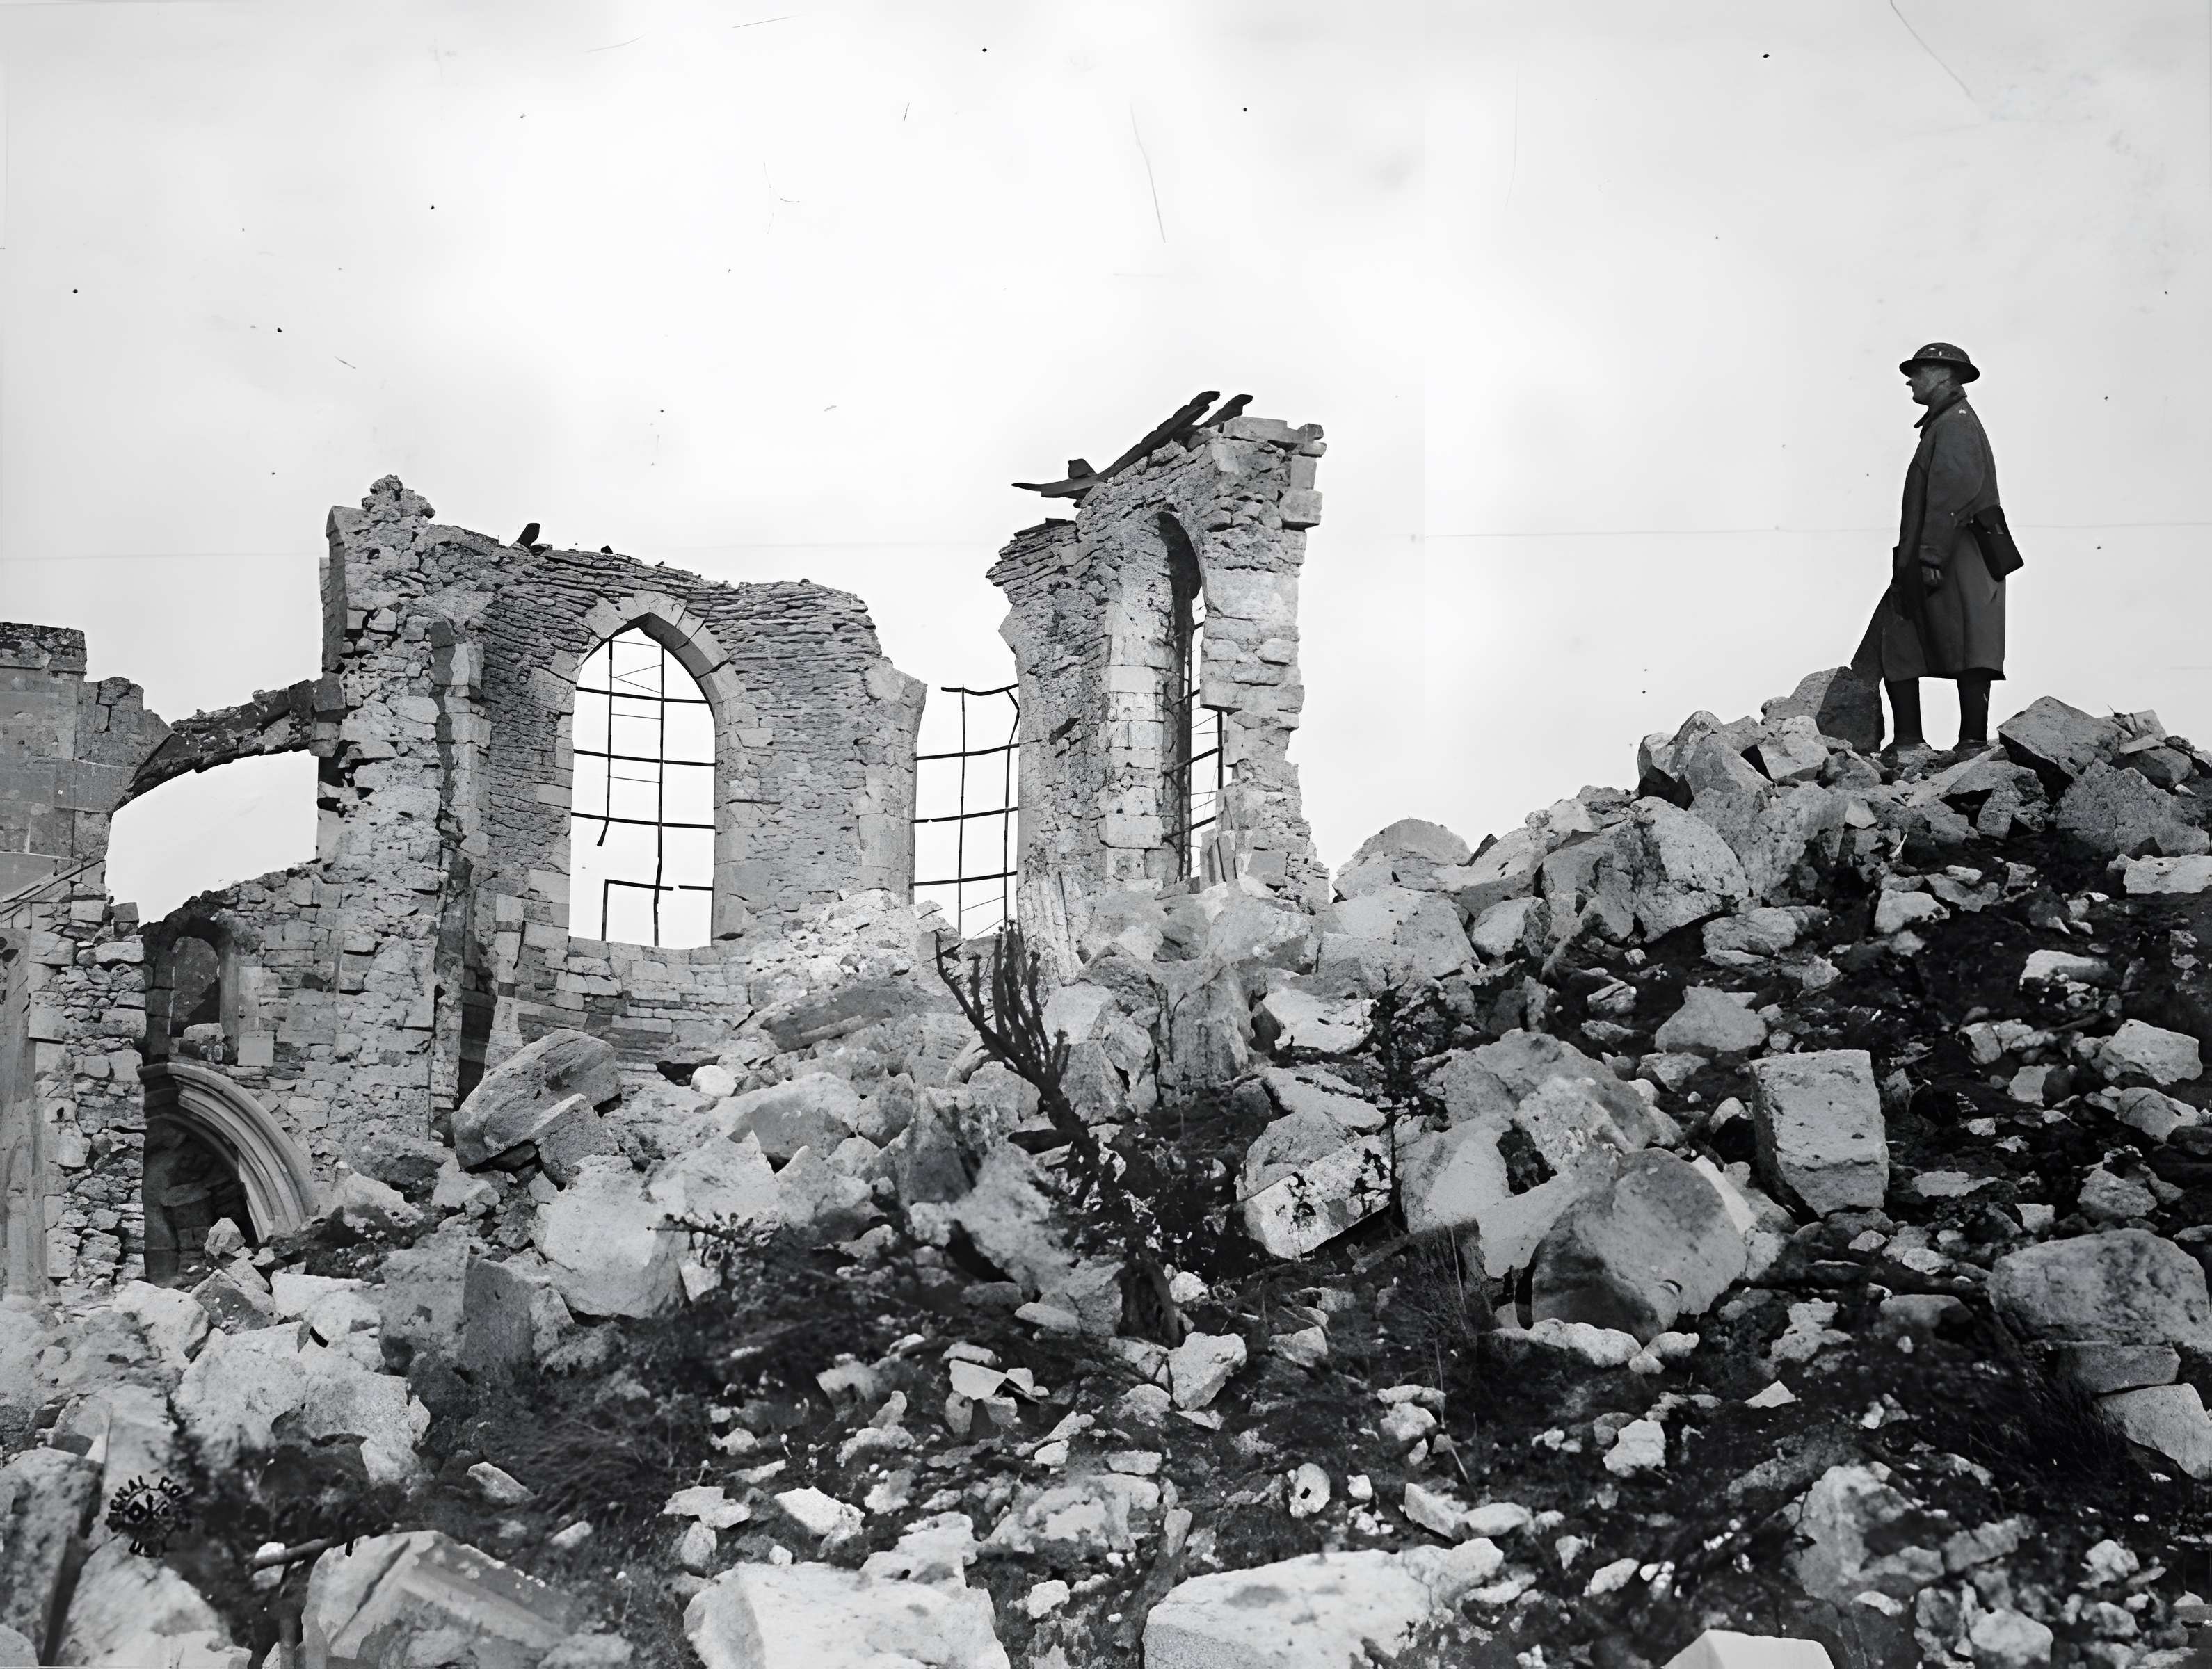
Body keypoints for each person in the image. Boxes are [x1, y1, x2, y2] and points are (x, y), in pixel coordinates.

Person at [1850, 342, 2006, 764]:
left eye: (1917, 371)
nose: (1910, 380)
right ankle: (1944, 741)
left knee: (1912, 636)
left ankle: (1921, 744)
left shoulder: (1954, 424)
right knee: (1952, 642)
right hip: (1953, 554)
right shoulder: (1949, 421)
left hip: (1952, 554)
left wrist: (1930, 556)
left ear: (1941, 373)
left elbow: (1952, 493)